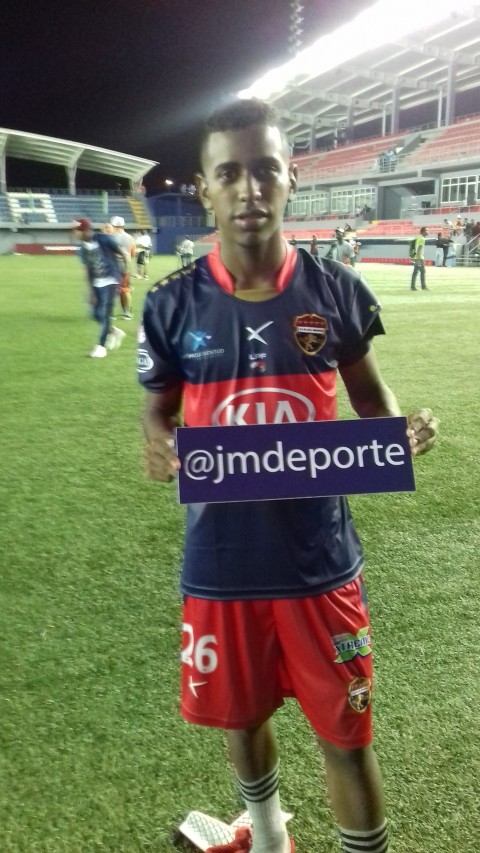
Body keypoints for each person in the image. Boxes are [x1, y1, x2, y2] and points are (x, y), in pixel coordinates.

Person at [138, 99, 438, 853]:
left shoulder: (335, 290)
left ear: (291, 179)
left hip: (319, 563)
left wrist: (397, 435)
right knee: (241, 719)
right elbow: (157, 409)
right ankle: (270, 840)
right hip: (221, 563)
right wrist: (159, 443)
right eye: (229, 173)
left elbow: (372, 401)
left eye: (265, 169)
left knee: (347, 736)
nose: (250, 189)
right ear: (205, 188)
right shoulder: (172, 303)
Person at [73, 218, 127, 358]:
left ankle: (101, 347)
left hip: (111, 280)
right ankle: (114, 332)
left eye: (78, 230)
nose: (76, 233)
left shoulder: (104, 239)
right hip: (97, 283)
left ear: (86, 230)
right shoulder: (82, 248)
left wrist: (124, 275)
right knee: (95, 314)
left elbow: (122, 253)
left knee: (106, 313)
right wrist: (91, 291)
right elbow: (87, 269)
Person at [111, 215, 136, 318]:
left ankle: (110, 314)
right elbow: (133, 253)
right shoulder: (130, 238)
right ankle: (127, 313)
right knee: (126, 290)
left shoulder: (111, 237)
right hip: (126, 267)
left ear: (113, 225)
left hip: (113, 267)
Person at [410, 226, 428, 291]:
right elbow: (419, 250)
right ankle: (423, 287)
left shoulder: (418, 238)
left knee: (415, 272)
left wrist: (414, 258)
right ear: (423, 231)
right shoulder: (422, 239)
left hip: (416, 257)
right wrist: (419, 260)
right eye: (426, 231)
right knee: (423, 272)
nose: (428, 232)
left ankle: (412, 286)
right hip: (419, 258)